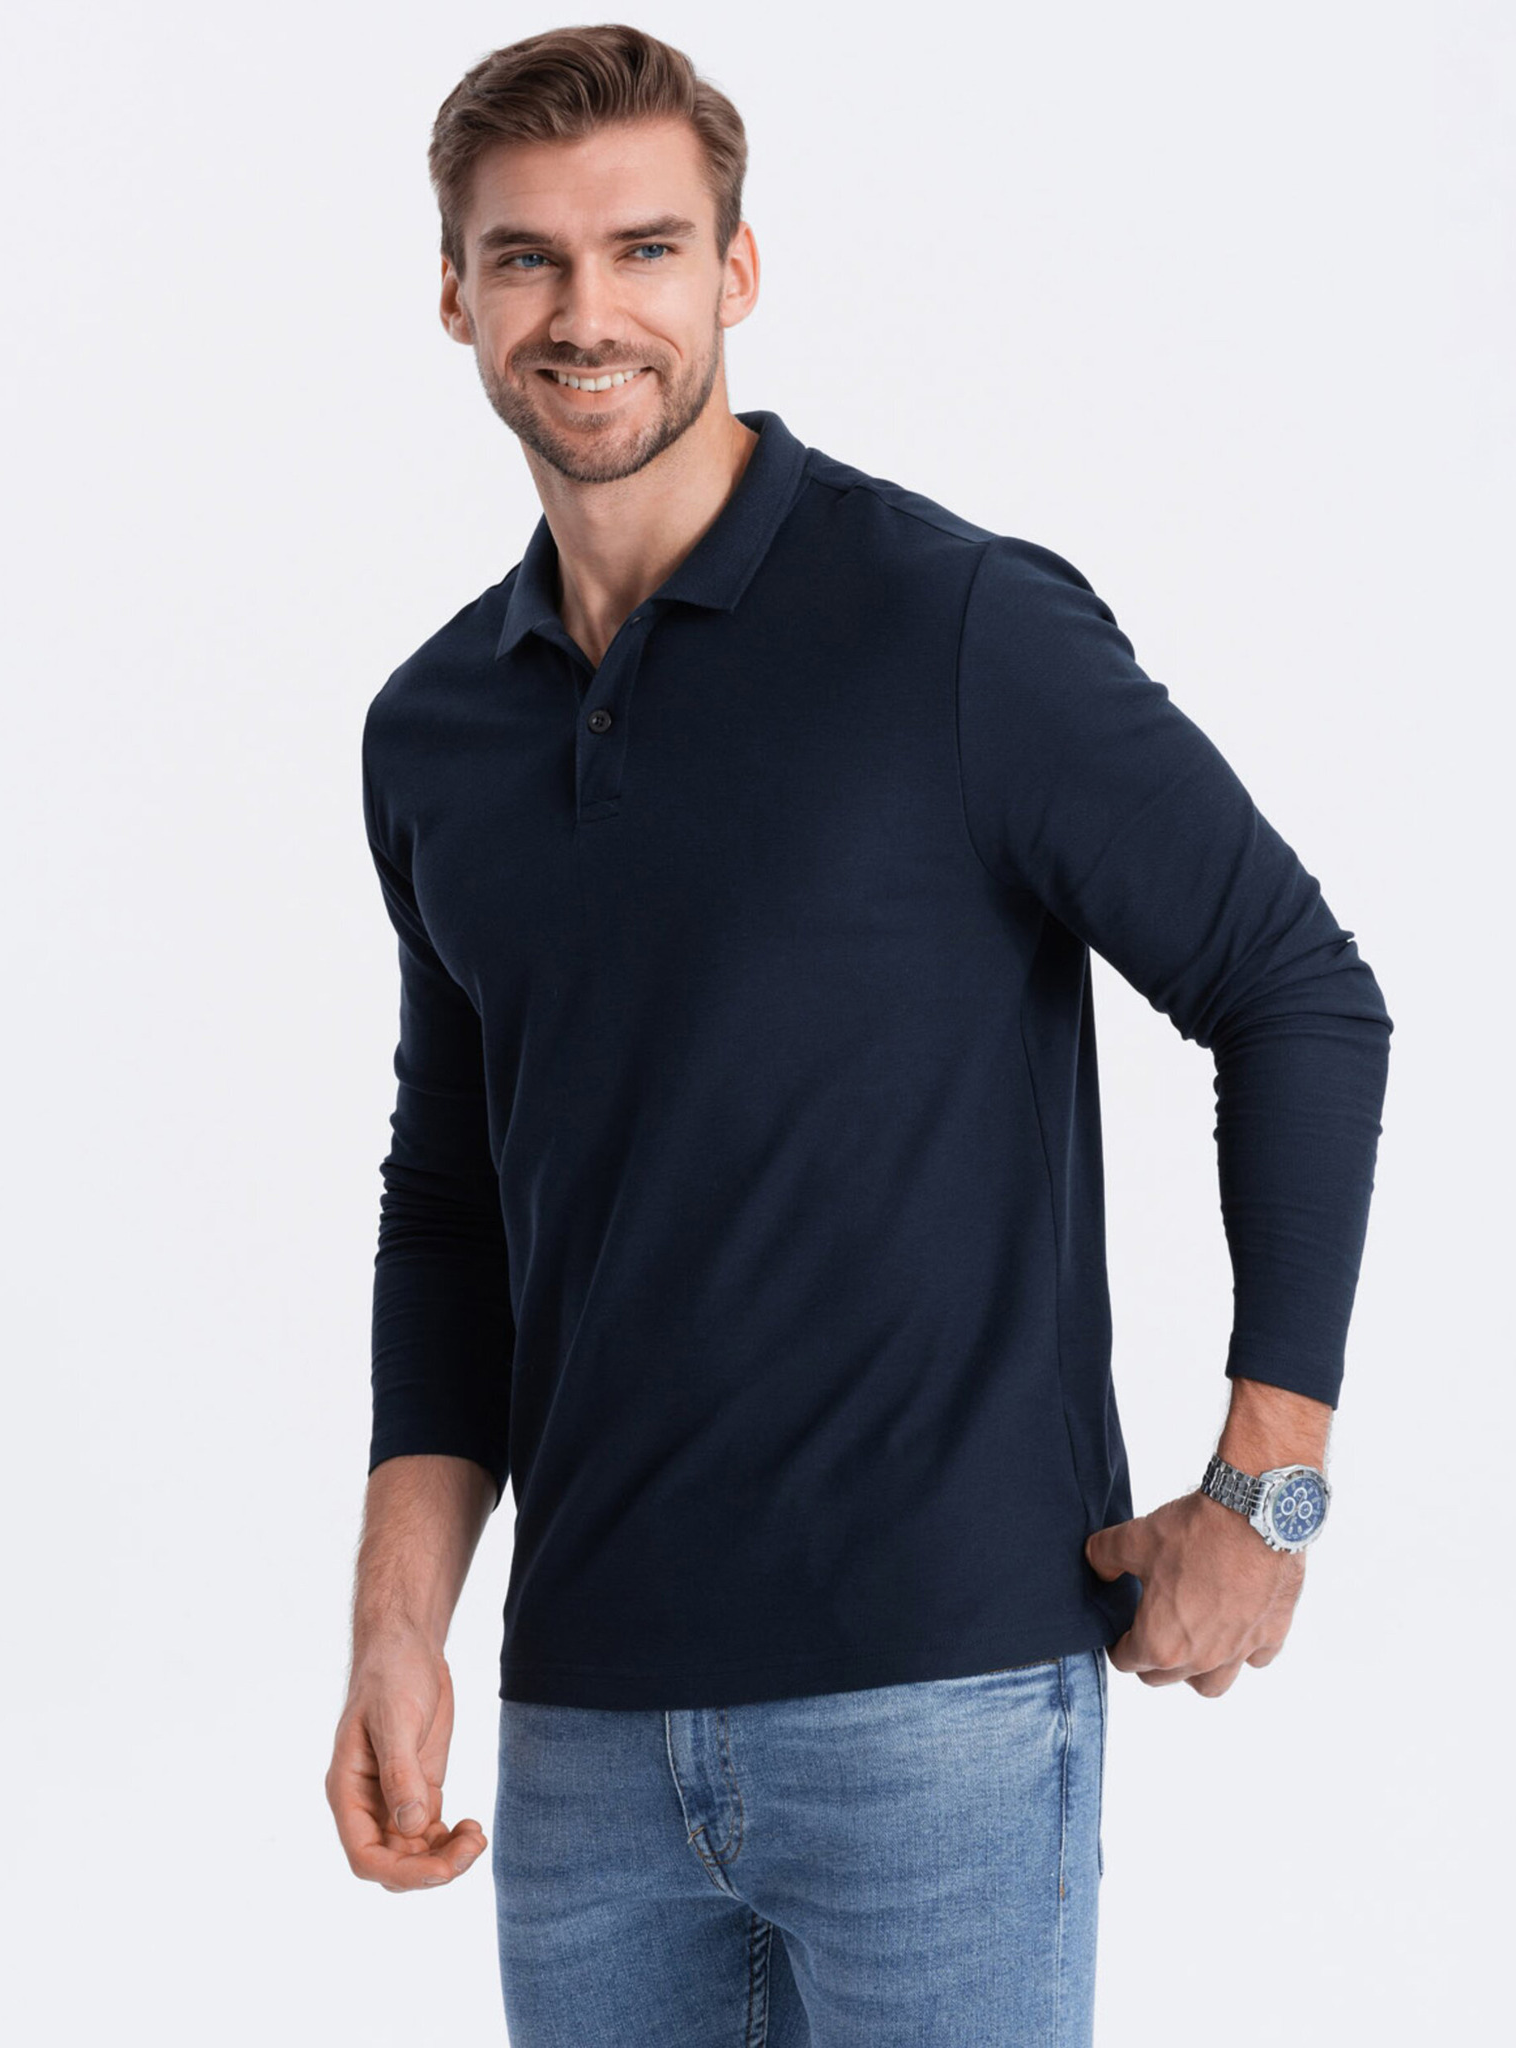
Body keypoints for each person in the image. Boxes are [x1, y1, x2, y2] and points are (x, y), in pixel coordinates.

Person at [324, 23, 1393, 2045]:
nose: (587, 312)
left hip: (939, 1700)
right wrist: (401, 1622)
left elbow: (1294, 988)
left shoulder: (953, 625)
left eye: (645, 249)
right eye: (528, 257)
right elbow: (453, 1201)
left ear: (735, 271)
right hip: (583, 1729)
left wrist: (1269, 1490)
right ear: (455, 293)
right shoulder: (434, 731)